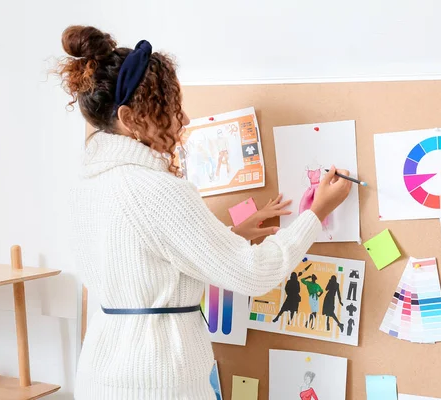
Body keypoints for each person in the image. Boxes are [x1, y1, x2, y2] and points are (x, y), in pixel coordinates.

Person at [57, 26, 353, 400]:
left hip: (101, 373)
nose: (182, 122)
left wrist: (230, 235)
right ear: (129, 118)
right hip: (158, 380)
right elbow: (254, 273)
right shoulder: (156, 190)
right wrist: (316, 214)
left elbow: (147, 259)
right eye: (166, 111)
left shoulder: (84, 187)